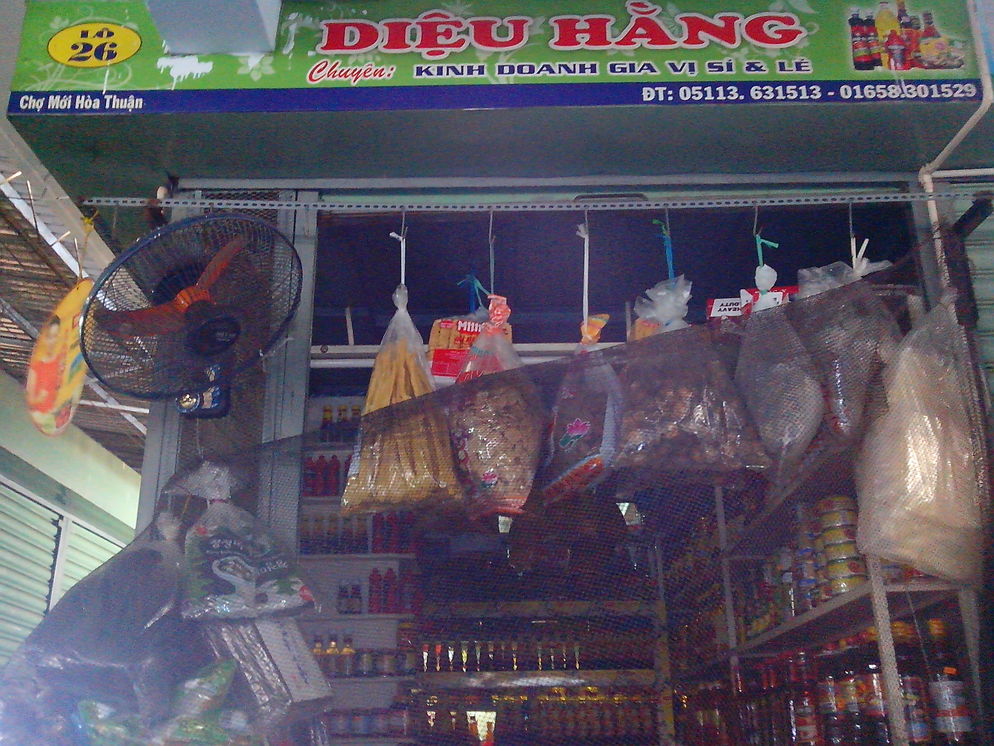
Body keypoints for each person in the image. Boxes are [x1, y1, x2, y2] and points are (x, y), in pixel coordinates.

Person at [26, 316, 66, 414]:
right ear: (44, 339)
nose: (53, 341)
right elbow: (30, 401)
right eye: (49, 337)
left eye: (56, 336)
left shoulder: (62, 361)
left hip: (56, 414)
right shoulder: (36, 367)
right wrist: (40, 398)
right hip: (41, 415)